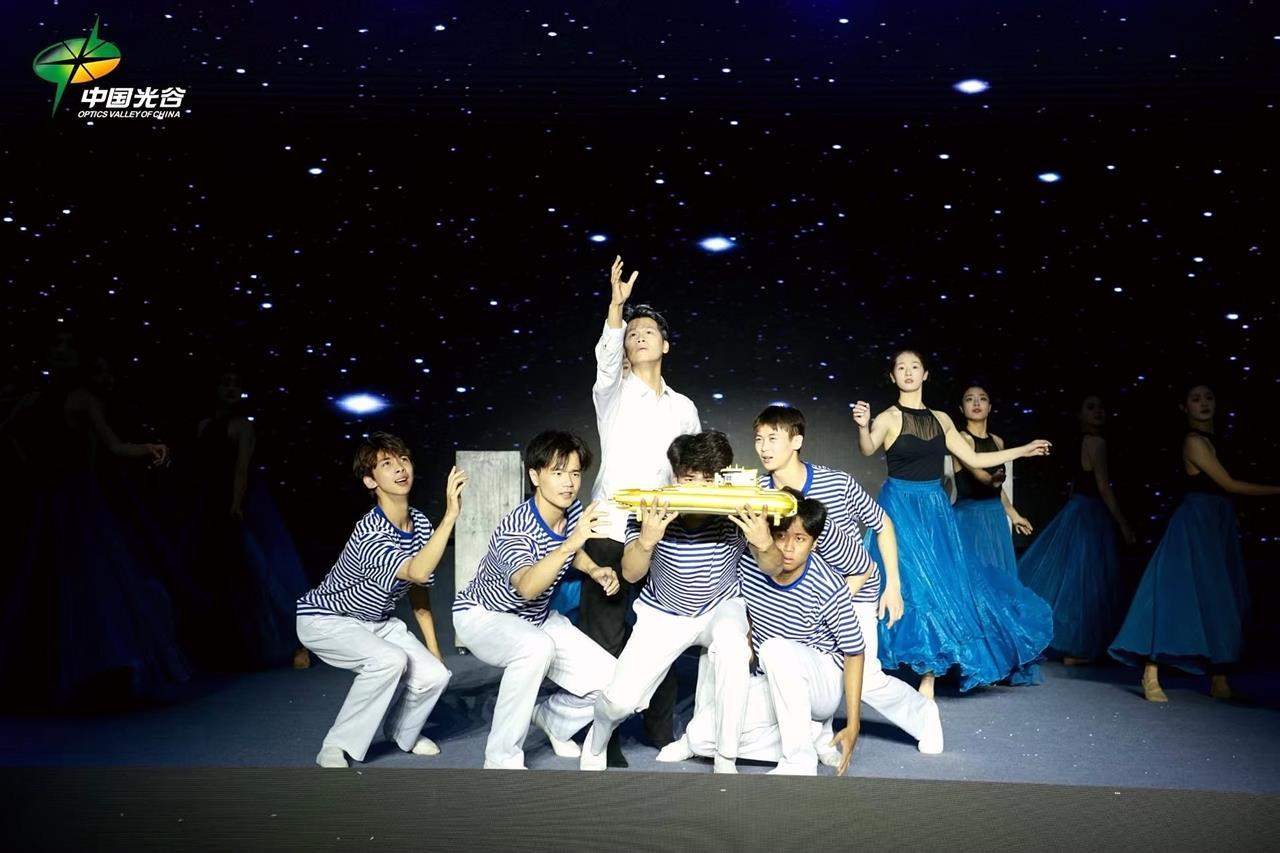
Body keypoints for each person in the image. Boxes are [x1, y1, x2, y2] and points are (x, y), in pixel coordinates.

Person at [853, 349, 1052, 697]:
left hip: (935, 509)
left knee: (940, 587)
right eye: (901, 367)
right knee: (909, 584)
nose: (908, 372)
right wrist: (862, 426)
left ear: (925, 374)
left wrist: (1022, 450)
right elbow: (868, 448)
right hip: (900, 506)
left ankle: (929, 676)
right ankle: (881, 666)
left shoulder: (942, 419)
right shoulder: (888, 417)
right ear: (893, 376)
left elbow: (974, 457)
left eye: (915, 366)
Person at [580, 430, 779, 773]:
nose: (700, 488)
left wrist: (764, 543)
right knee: (619, 702)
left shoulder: (737, 511)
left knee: (733, 647)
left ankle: (725, 757)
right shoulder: (649, 510)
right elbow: (630, 574)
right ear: (675, 477)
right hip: (664, 614)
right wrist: (647, 540)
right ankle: (596, 740)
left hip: (719, 608)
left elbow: (774, 568)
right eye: (690, 479)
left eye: (708, 479)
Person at [751, 405, 942, 752]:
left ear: (797, 441)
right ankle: (814, 733)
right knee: (793, 667)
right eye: (759, 439)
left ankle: (923, 716)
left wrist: (893, 584)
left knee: (864, 679)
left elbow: (882, 524)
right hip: (795, 597)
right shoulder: (758, 493)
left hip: (853, 592)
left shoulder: (836, 483)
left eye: (773, 439)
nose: (764, 448)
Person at [581, 254, 701, 764]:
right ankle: (602, 736)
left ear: (666, 345)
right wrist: (616, 308)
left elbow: (692, 471)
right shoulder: (611, 393)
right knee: (604, 636)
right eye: (633, 333)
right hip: (609, 525)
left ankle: (661, 730)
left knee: (660, 634)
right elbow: (607, 356)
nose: (639, 336)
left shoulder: (684, 407)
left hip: (660, 531)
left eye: (649, 331)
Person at [452, 431, 620, 769]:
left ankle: (552, 720)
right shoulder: (517, 528)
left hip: (536, 618)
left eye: (575, 473)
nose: (569, 483)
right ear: (535, 476)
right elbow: (527, 586)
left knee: (617, 684)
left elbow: (570, 552)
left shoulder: (571, 509)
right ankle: (501, 759)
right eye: (558, 472)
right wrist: (571, 544)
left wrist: (594, 569)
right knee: (535, 647)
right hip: (484, 616)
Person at [295, 433, 462, 768]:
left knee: (435, 675)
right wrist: (450, 516)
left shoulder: (420, 523)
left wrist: (434, 648)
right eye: (387, 464)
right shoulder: (371, 532)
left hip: (377, 621)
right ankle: (336, 744)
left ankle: (402, 731)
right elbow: (416, 571)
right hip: (327, 619)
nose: (400, 468)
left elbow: (419, 588)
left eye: (403, 459)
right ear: (371, 480)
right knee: (389, 661)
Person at [1110, 384, 1280, 701]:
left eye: (1209, 397)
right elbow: (1230, 484)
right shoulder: (1193, 441)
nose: (1204, 403)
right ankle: (1151, 673)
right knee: (1178, 596)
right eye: (1196, 399)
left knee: (1219, 597)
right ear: (1184, 407)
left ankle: (1219, 677)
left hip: (1217, 522)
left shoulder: (1218, 441)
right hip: (1195, 525)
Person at [1018, 394, 1136, 665]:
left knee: (1075, 578)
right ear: (1080, 415)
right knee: (1087, 581)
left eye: (1101, 407)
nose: (1098, 411)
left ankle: (1075, 645)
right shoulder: (1096, 442)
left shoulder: (1083, 442)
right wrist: (1123, 524)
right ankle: (1079, 647)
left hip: (1077, 510)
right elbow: (1103, 487)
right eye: (1090, 407)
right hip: (1090, 512)